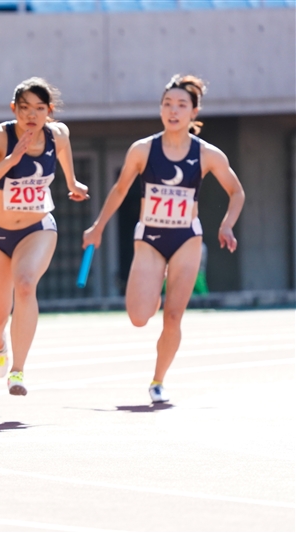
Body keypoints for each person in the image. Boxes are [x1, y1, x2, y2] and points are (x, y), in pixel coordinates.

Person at [82, 74, 244, 403]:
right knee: (140, 317)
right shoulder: (143, 149)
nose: (173, 110)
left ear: (193, 113)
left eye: (181, 105)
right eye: (167, 104)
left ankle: (158, 380)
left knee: (173, 316)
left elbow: (236, 191)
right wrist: (97, 227)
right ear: (160, 109)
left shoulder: (207, 154)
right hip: (150, 238)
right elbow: (119, 189)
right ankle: (154, 285)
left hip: (186, 238)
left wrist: (227, 224)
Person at [0, 78, 89, 395]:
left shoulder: (58, 135)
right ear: (14, 109)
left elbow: (64, 152)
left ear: (49, 111)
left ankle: (18, 371)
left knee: (25, 284)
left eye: (40, 108)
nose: (31, 115)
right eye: (24, 108)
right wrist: (11, 160)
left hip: (37, 228)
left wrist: (72, 183)